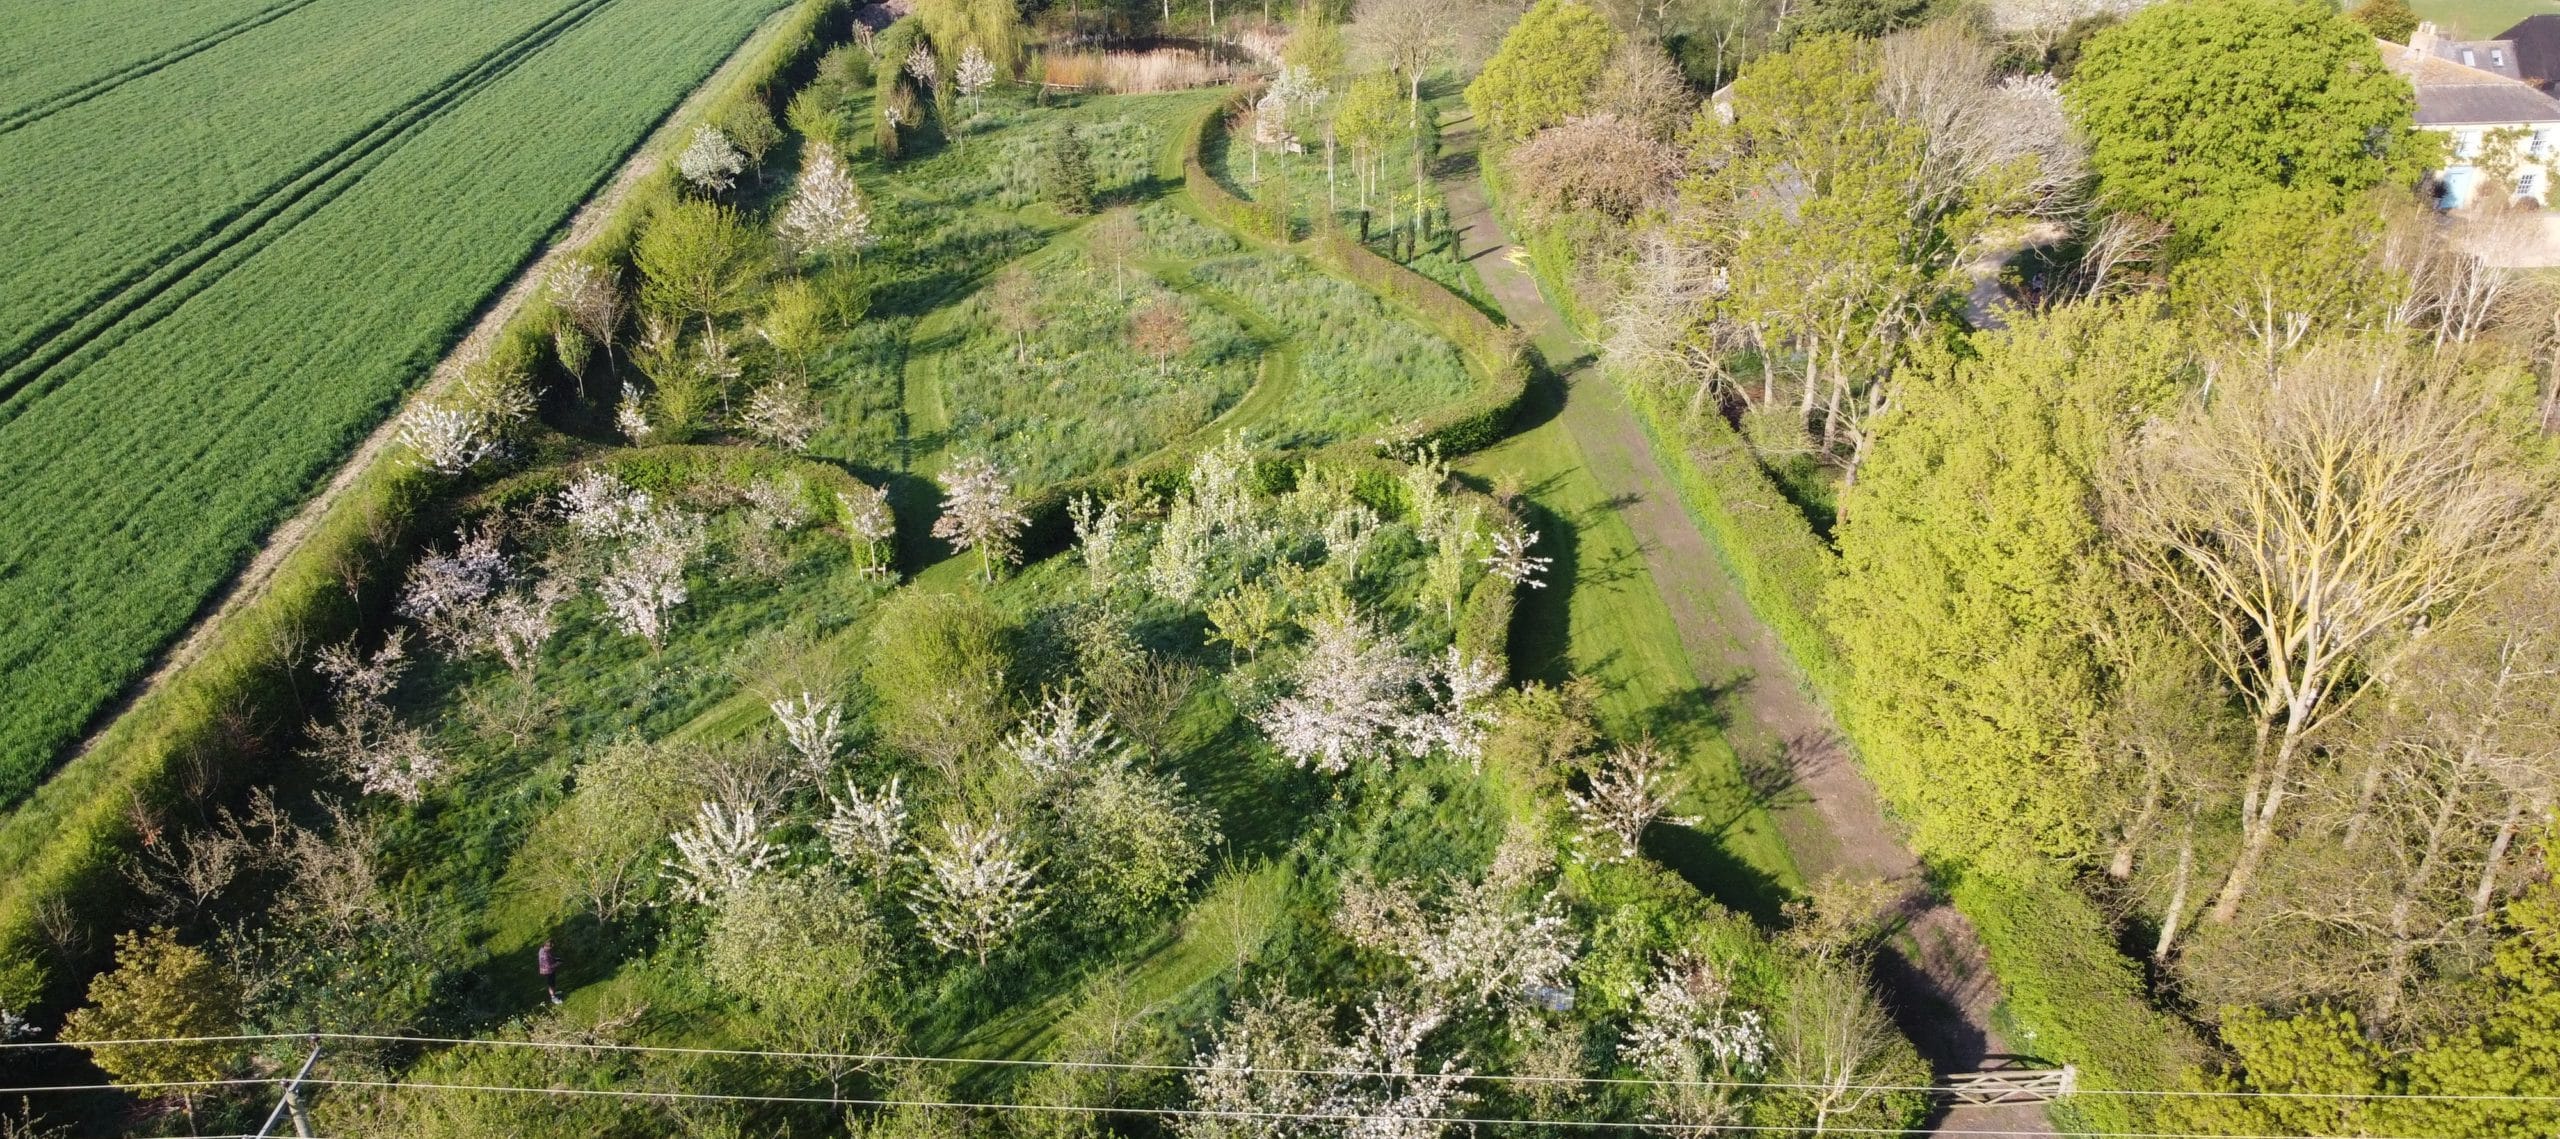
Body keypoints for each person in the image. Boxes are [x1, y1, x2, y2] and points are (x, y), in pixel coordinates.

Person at [538, 938, 562, 1005]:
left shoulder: (542, 949)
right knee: (551, 984)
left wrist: (555, 959)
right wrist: (557, 964)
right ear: (547, 946)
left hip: (547, 969)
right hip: (548, 971)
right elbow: (549, 966)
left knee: (552, 983)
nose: (551, 949)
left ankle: (554, 993)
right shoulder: (544, 955)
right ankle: (553, 998)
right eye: (551, 947)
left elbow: (550, 957)